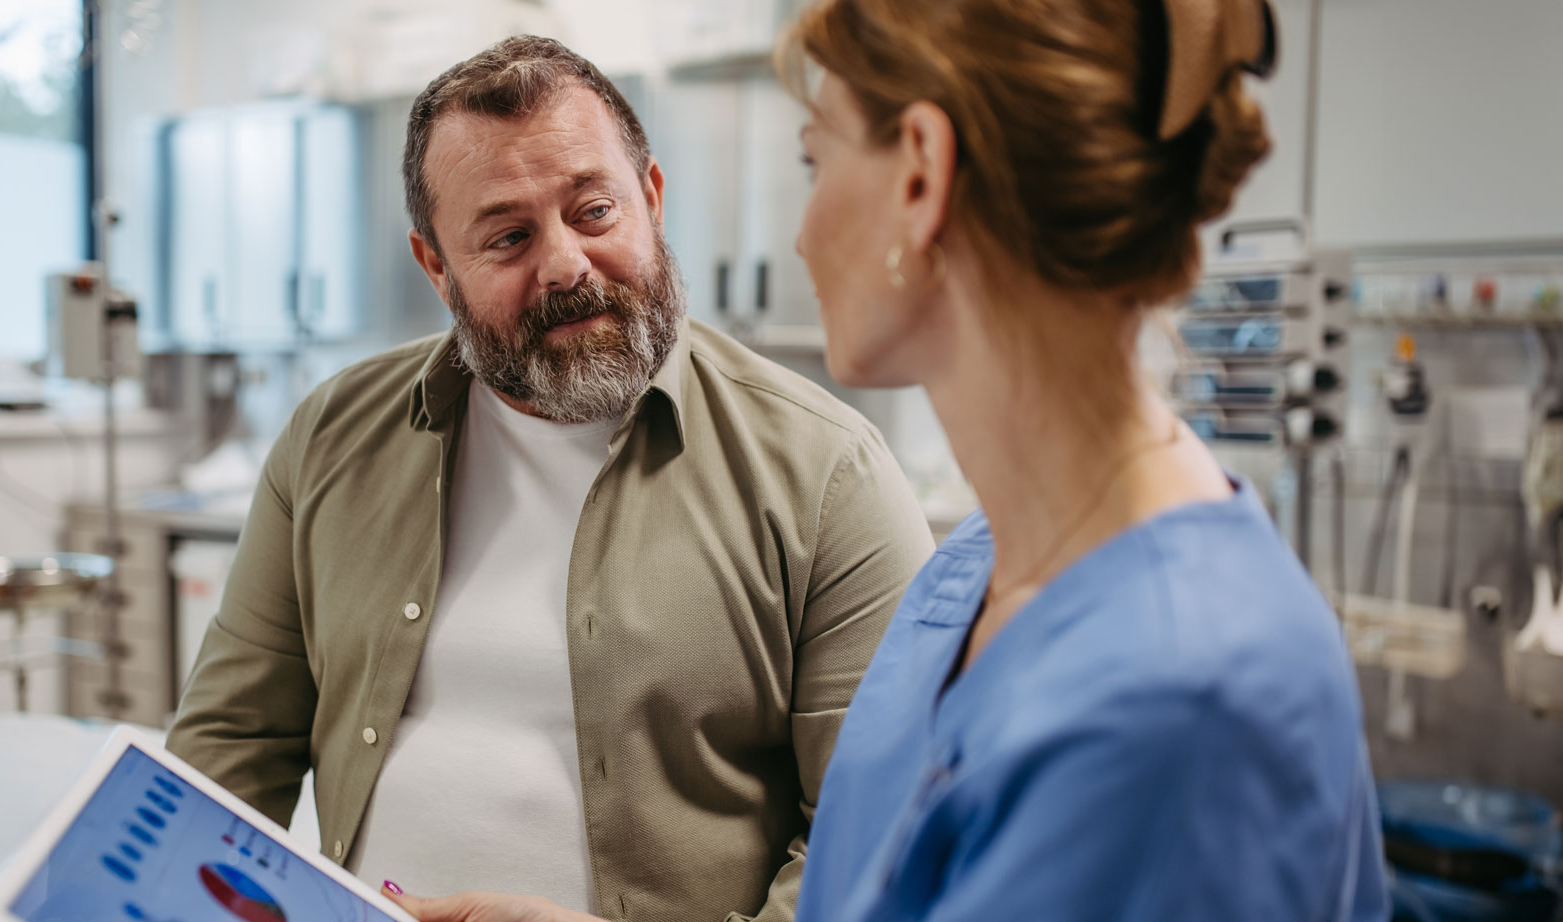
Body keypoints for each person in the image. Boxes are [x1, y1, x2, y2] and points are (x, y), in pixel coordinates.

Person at [381, 1, 1389, 921]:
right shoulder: (973, 576)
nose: (804, 233)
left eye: (816, 166)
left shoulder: (1179, 703)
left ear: (918, 175)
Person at [166, 35, 937, 922]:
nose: (566, 264)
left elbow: (879, 848)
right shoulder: (331, 437)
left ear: (650, 197)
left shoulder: (827, 473)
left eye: (595, 211)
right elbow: (228, 748)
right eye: (508, 237)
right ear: (436, 268)